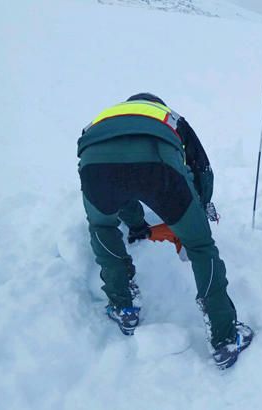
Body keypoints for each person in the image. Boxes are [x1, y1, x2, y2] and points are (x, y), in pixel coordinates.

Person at [77, 93, 253, 369]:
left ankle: (123, 305)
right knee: (199, 246)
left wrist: (137, 226)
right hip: (157, 166)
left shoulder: (103, 118)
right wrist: (201, 206)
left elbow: (120, 179)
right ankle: (224, 337)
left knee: (102, 227)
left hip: (94, 165)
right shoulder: (168, 117)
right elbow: (200, 165)